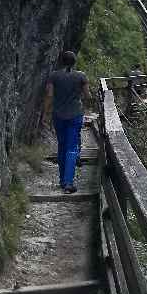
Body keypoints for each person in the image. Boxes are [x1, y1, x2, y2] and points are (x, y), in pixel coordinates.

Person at [43, 51, 91, 193]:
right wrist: (84, 103)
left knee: (62, 146)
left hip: (58, 115)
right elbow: (88, 95)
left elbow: (49, 95)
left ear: (61, 61)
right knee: (72, 148)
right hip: (75, 115)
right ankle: (68, 183)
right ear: (74, 62)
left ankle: (62, 180)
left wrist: (45, 113)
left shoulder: (54, 76)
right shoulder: (81, 76)